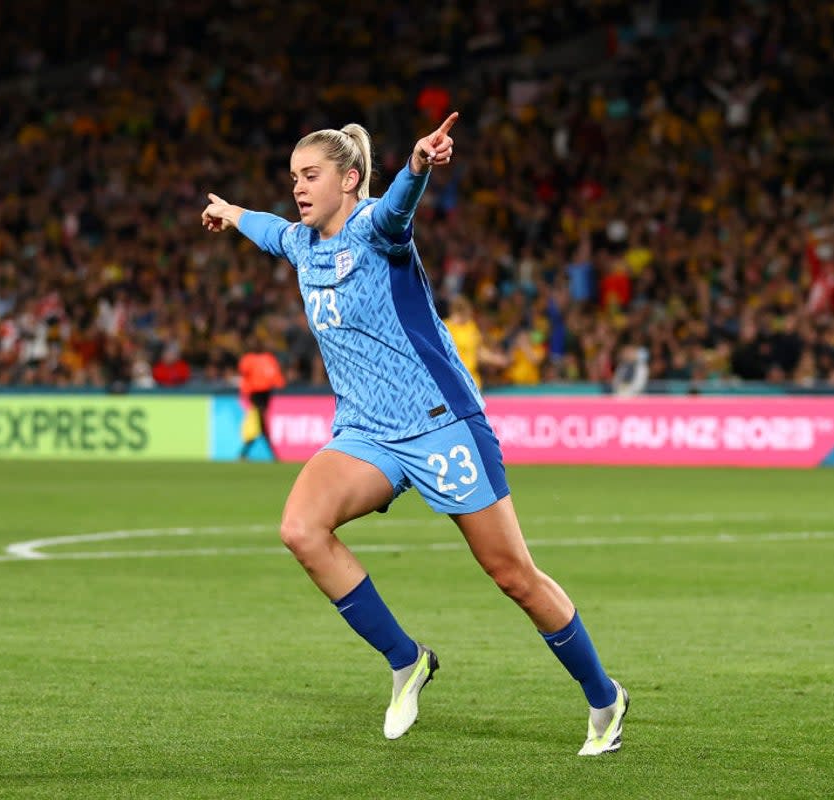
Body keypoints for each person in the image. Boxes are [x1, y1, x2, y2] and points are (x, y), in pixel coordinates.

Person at [202, 113, 628, 755]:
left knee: (512, 574)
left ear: (349, 179)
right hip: (366, 433)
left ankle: (604, 696)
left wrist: (417, 169)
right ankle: (406, 660)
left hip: (440, 424)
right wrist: (233, 213)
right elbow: (269, 232)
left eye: (310, 175)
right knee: (300, 529)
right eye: (292, 177)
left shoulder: (376, 229)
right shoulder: (301, 242)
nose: (297, 187)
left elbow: (398, 210)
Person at [236, 333, 286, 461]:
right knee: (260, 425)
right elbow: (245, 379)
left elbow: (276, 378)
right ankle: (270, 455)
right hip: (256, 396)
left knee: (259, 426)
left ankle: (244, 454)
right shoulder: (250, 360)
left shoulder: (266, 359)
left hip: (263, 395)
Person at [442, 294, 507, 388]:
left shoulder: (471, 327)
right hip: (452, 379)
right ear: (463, 310)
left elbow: (479, 351)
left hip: (472, 380)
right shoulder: (444, 327)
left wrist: (496, 359)